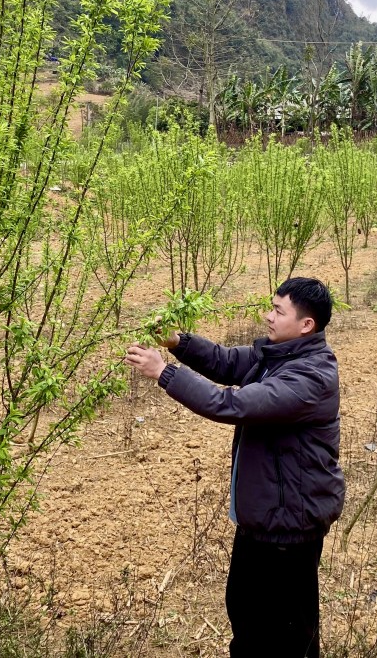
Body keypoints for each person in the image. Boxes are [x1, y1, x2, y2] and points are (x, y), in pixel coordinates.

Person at [123, 277, 345, 658]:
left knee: (288, 633)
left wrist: (165, 372)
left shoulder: (310, 377)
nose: (268, 317)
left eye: (278, 311)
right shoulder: (277, 355)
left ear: (306, 325)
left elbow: (233, 406)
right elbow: (226, 362)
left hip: (289, 527)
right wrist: (179, 342)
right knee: (246, 618)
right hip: (263, 520)